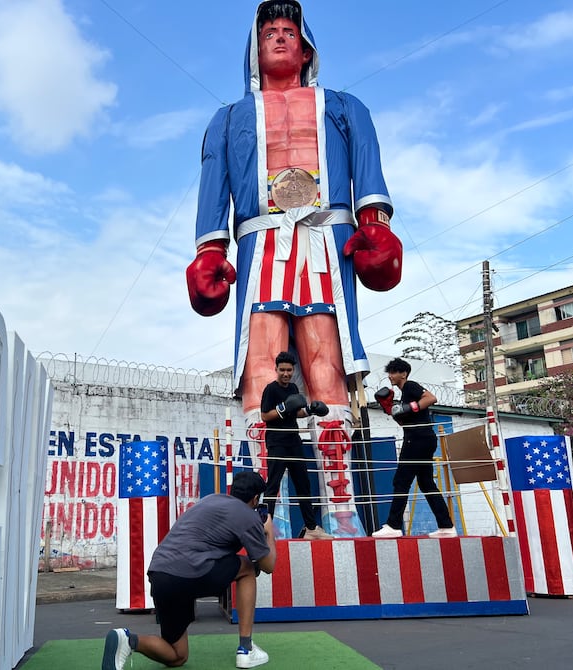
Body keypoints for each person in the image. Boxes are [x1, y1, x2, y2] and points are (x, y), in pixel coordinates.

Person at [185, 1, 402, 536]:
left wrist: (374, 225)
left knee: (326, 368)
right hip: (261, 243)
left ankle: (342, 510)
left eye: (289, 32)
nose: (279, 39)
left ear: (306, 49)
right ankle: (262, 516)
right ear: (255, 50)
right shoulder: (229, 118)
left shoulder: (346, 107)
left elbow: (368, 168)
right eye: (270, 33)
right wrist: (209, 251)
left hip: (326, 241)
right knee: (260, 371)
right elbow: (214, 186)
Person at [101, 471, 277, 670]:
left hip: (160, 573)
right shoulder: (248, 516)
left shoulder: (210, 500)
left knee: (177, 656)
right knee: (247, 569)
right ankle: (246, 649)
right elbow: (268, 566)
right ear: (255, 499)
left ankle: (128, 640)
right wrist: (268, 531)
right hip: (189, 572)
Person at [371, 358, 457, 538]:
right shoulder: (404, 394)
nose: (390, 376)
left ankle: (393, 525)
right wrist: (390, 409)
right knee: (426, 483)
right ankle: (446, 526)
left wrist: (410, 406)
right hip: (421, 437)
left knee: (401, 480)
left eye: (394, 372)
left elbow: (431, 398)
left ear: (403, 373)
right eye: (389, 372)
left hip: (417, 439)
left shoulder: (410, 385)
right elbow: (404, 421)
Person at [260, 351, 332, 539]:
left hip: (294, 441)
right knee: (273, 486)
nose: (286, 373)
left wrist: (310, 410)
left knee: (303, 484)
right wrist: (283, 408)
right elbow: (265, 416)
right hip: (277, 442)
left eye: (289, 370)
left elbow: (296, 411)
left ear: (293, 370)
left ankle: (311, 528)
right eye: (282, 370)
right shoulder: (271, 389)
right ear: (276, 369)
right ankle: (264, 529)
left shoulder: (292, 388)